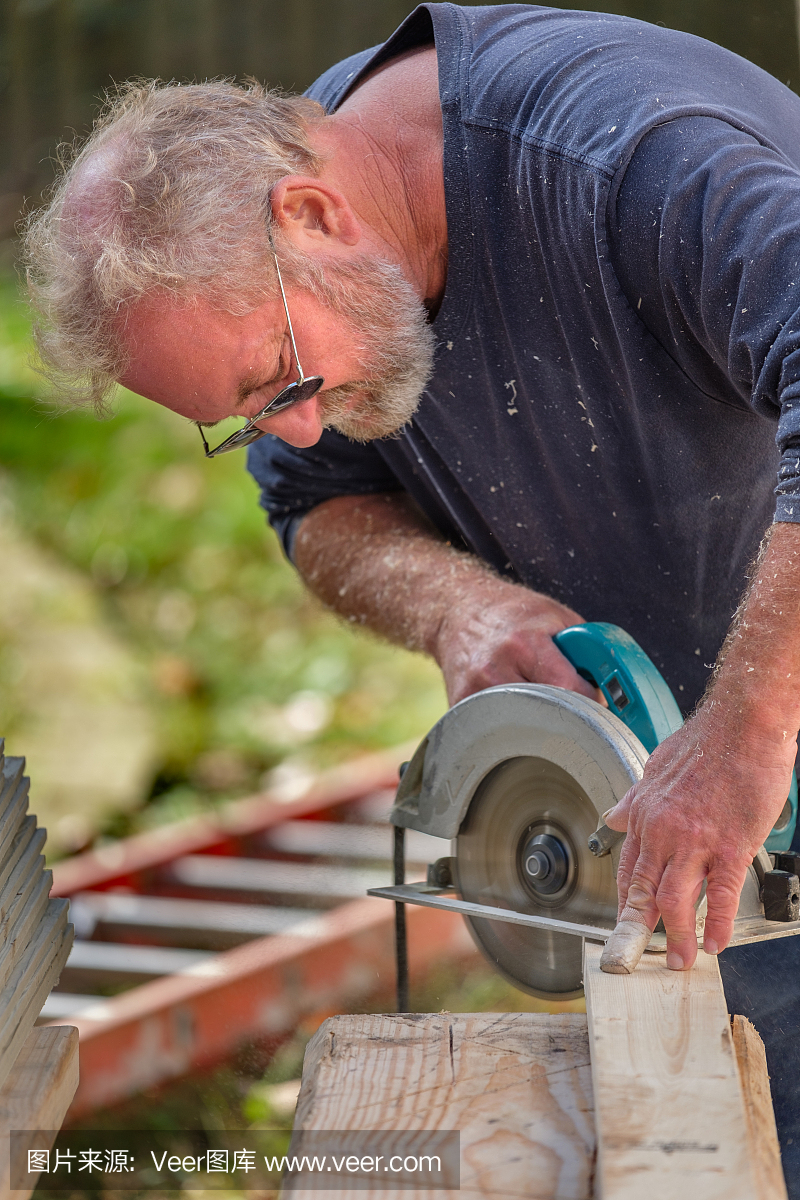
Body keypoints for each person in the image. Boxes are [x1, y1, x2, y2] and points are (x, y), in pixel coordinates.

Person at [21, 3, 800, 1169]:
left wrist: (746, 727)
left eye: (277, 379)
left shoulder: (631, 154)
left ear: (314, 214)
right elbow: (315, 507)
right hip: (687, 796)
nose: (287, 424)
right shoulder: (291, 247)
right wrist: (458, 606)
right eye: (242, 420)